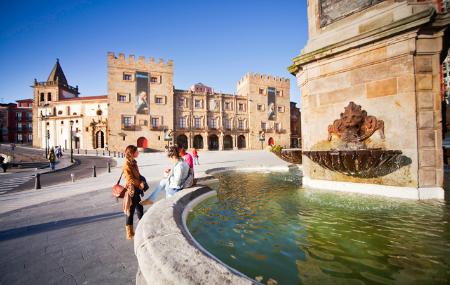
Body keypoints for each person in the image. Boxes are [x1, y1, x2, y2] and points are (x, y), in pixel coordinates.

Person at [123, 145, 146, 240]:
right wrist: (139, 183)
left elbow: (137, 175)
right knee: (133, 211)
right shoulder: (127, 165)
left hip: (136, 189)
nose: (138, 153)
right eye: (137, 151)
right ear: (132, 153)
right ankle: (131, 232)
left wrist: (142, 180)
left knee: (137, 209)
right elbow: (129, 179)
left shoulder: (133, 163)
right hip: (132, 191)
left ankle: (134, 232)